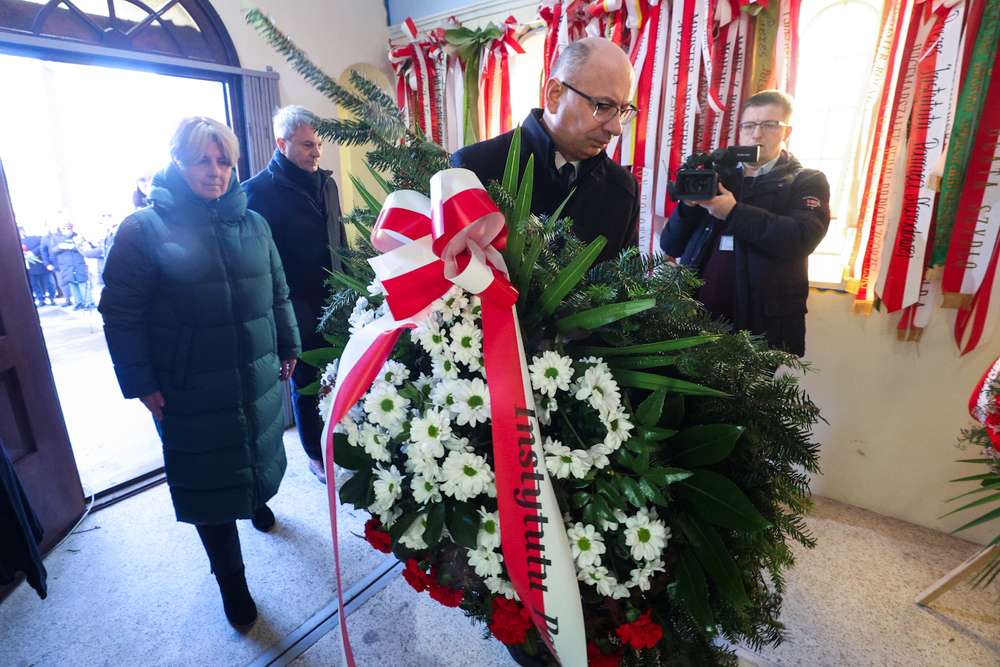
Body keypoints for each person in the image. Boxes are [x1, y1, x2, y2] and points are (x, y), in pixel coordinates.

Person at [99, 117, 301, 628]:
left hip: (253, 369)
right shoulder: (144, 229)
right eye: (201, 161)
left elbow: (278, 291)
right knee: (208, 479)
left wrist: (288, 341)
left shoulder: (254, 223)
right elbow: (120, 313)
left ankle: (254, 500)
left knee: (257, 448)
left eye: (224, 161)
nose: (215, 172)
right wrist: (141, 382)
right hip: (189, 383)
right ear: (176, 162)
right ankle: (232, 583)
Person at [659, 90, 830, 358]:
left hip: (759, 329)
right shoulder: (717, 177)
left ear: (787, 131)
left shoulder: (805, 180)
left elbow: (802, 237)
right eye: (749, 125)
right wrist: (687, 208)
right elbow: (671, 244)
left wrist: (733, 212)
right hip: (693, 321)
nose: (757, 134)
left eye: (769, 125)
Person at [451, 37, 640, 263]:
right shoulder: (474, 168)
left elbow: (629, 288)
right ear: (555, 95)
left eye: (622, 110)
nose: (616, 128)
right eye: (603, 106)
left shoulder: (623, 189)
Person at [243, 105, 348, 485]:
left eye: (318, 144)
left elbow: (340, 239)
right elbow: (256, 266)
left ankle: (340, 443)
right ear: (281, 143)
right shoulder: (255, 192)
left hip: (337, 305)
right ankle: (315, 456)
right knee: (307, 388)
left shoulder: (328, 183)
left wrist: (352, 289)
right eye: (307, 145)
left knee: (337, 381)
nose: (317, 153)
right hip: (295, 312)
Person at [46, 219, 93, 310]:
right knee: (71, 283)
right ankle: (79, 302)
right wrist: (60, 247)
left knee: (82, 282)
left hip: (78, 262)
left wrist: (74, 247)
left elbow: (84, 247)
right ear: (60, 228)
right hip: (65, 264)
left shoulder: (77, 235)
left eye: (68, 228)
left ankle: (89, 301)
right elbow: (52, 250)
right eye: (64, 228)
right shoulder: (55, 237)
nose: (66, 230)